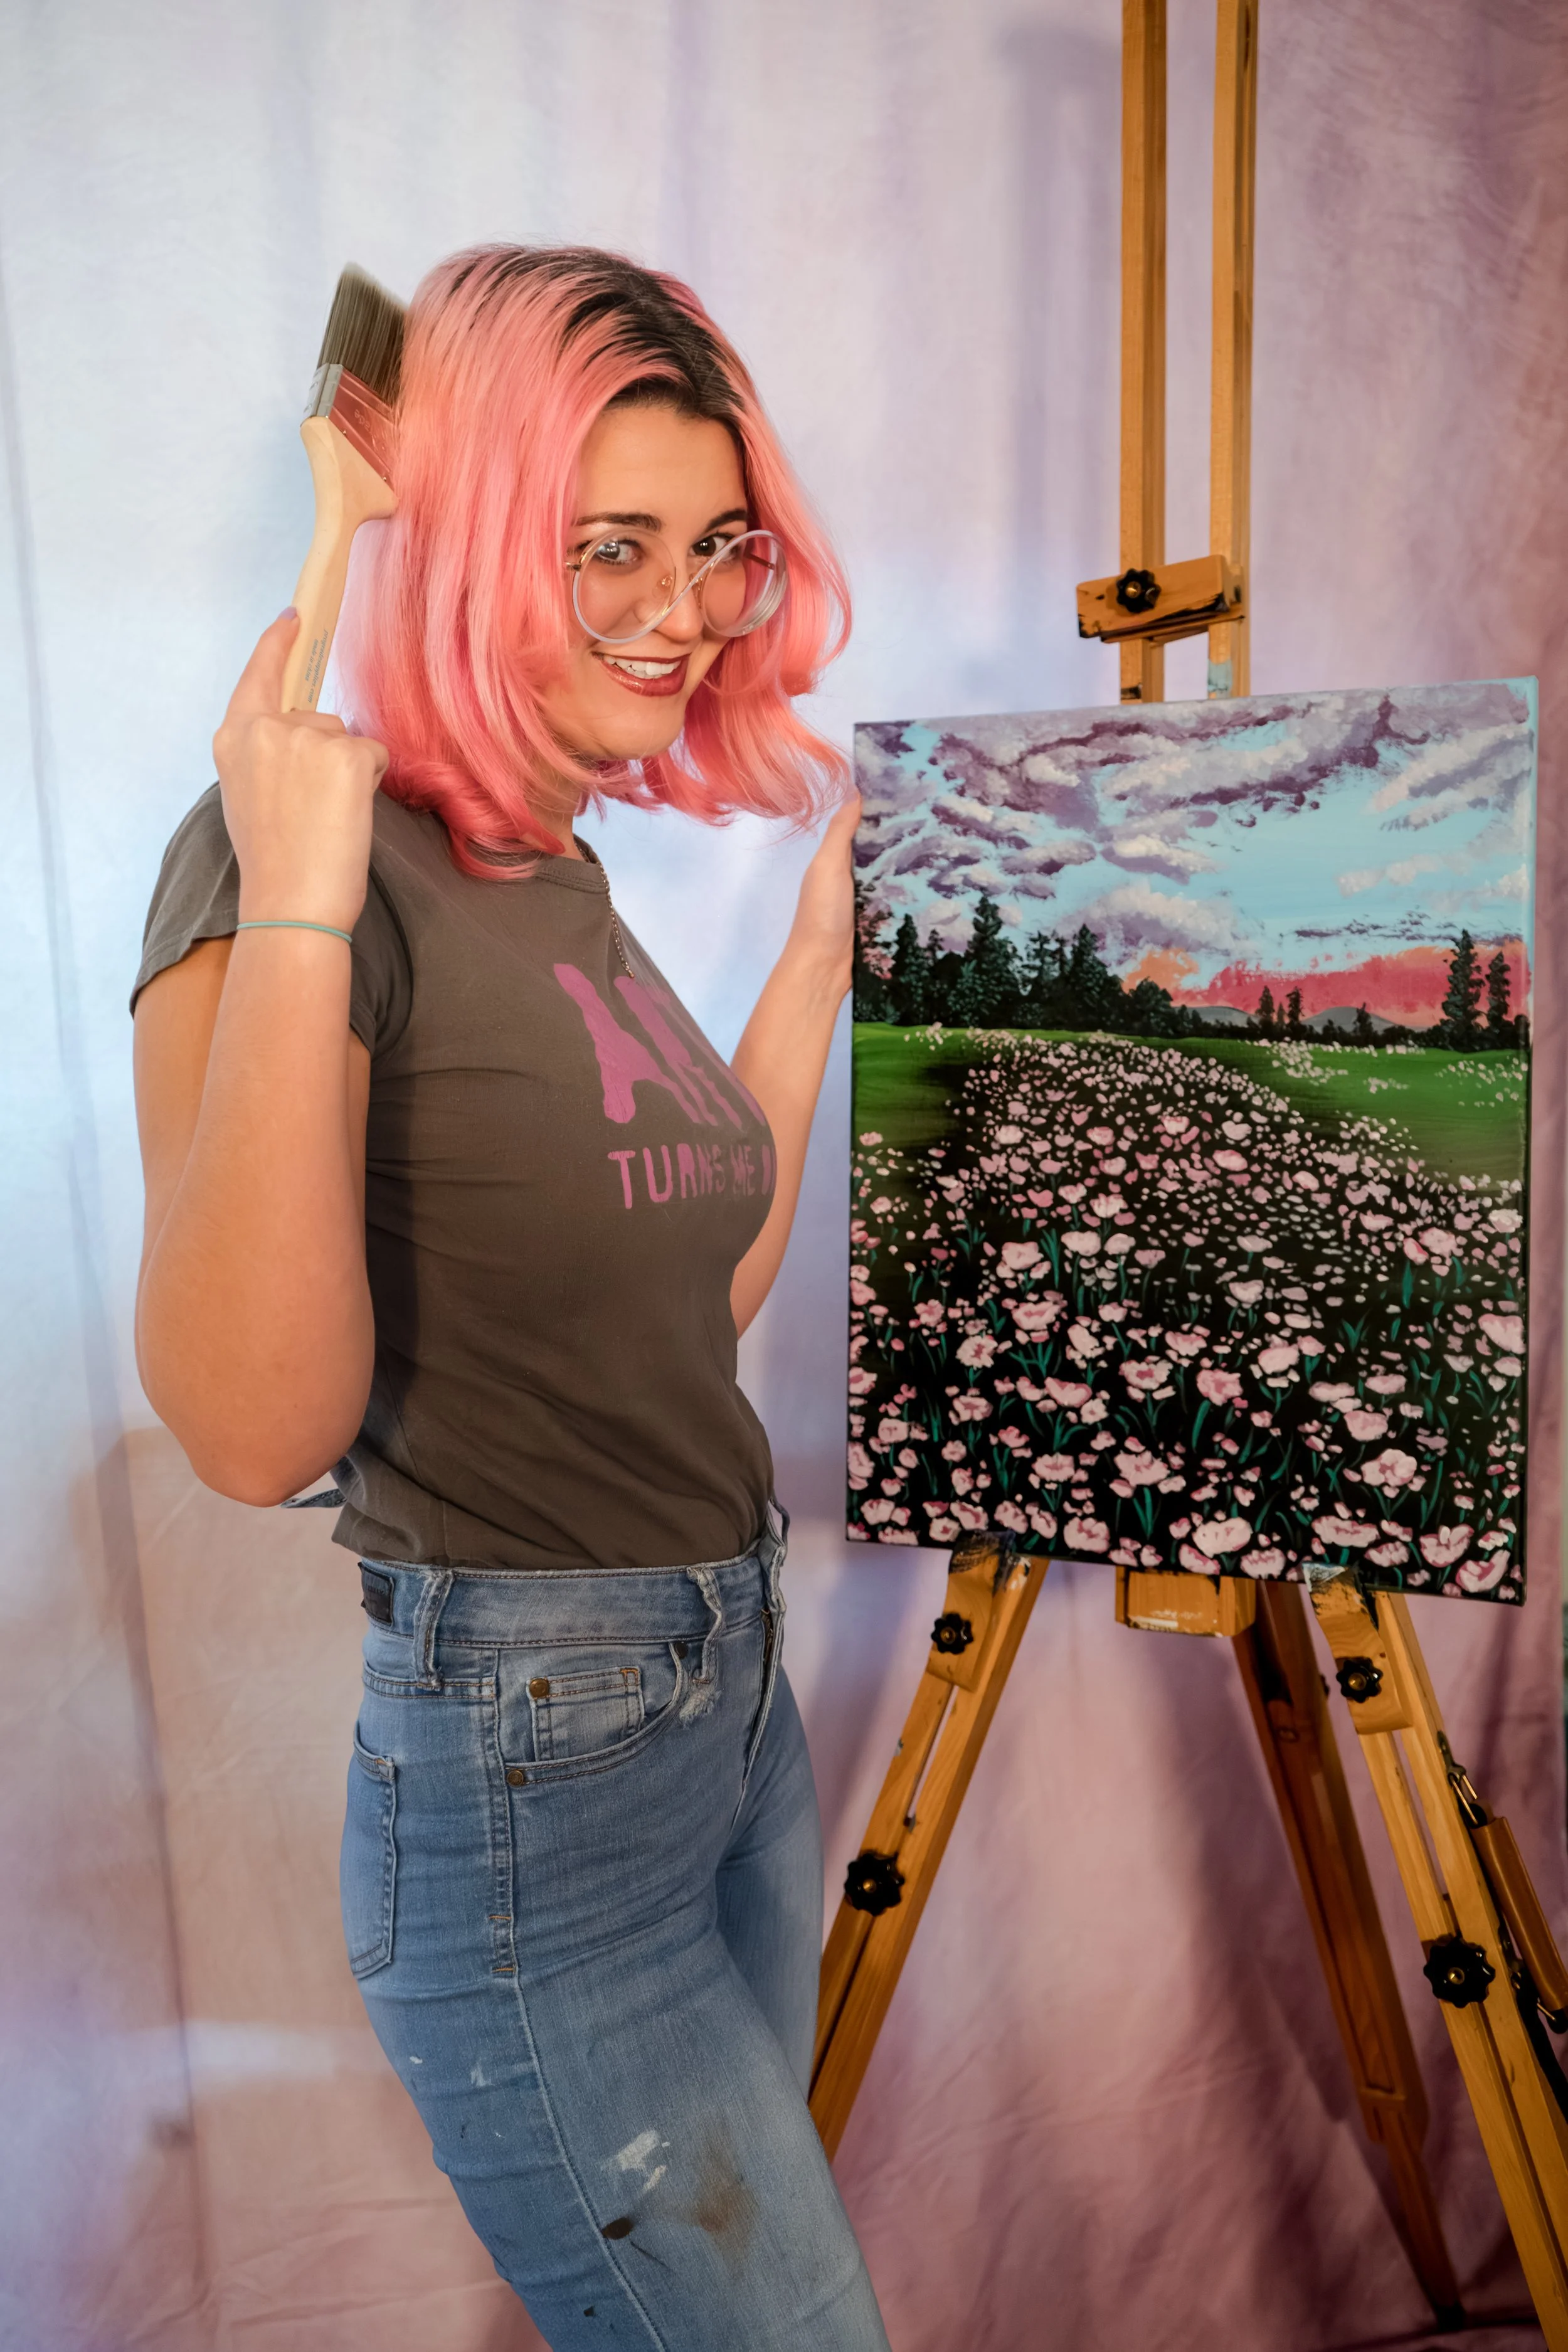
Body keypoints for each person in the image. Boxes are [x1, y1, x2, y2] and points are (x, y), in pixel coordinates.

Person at [131, 245, 889, 2352]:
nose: (684, 609)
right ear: (459, 545)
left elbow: (678, 1301)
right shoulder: (296, 855)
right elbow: (254, 1429)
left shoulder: (553, 875)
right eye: (610, 549)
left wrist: (817, 954)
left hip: (719, 1716)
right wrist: (295, 882)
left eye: (719, 548)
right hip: (535, 1770)